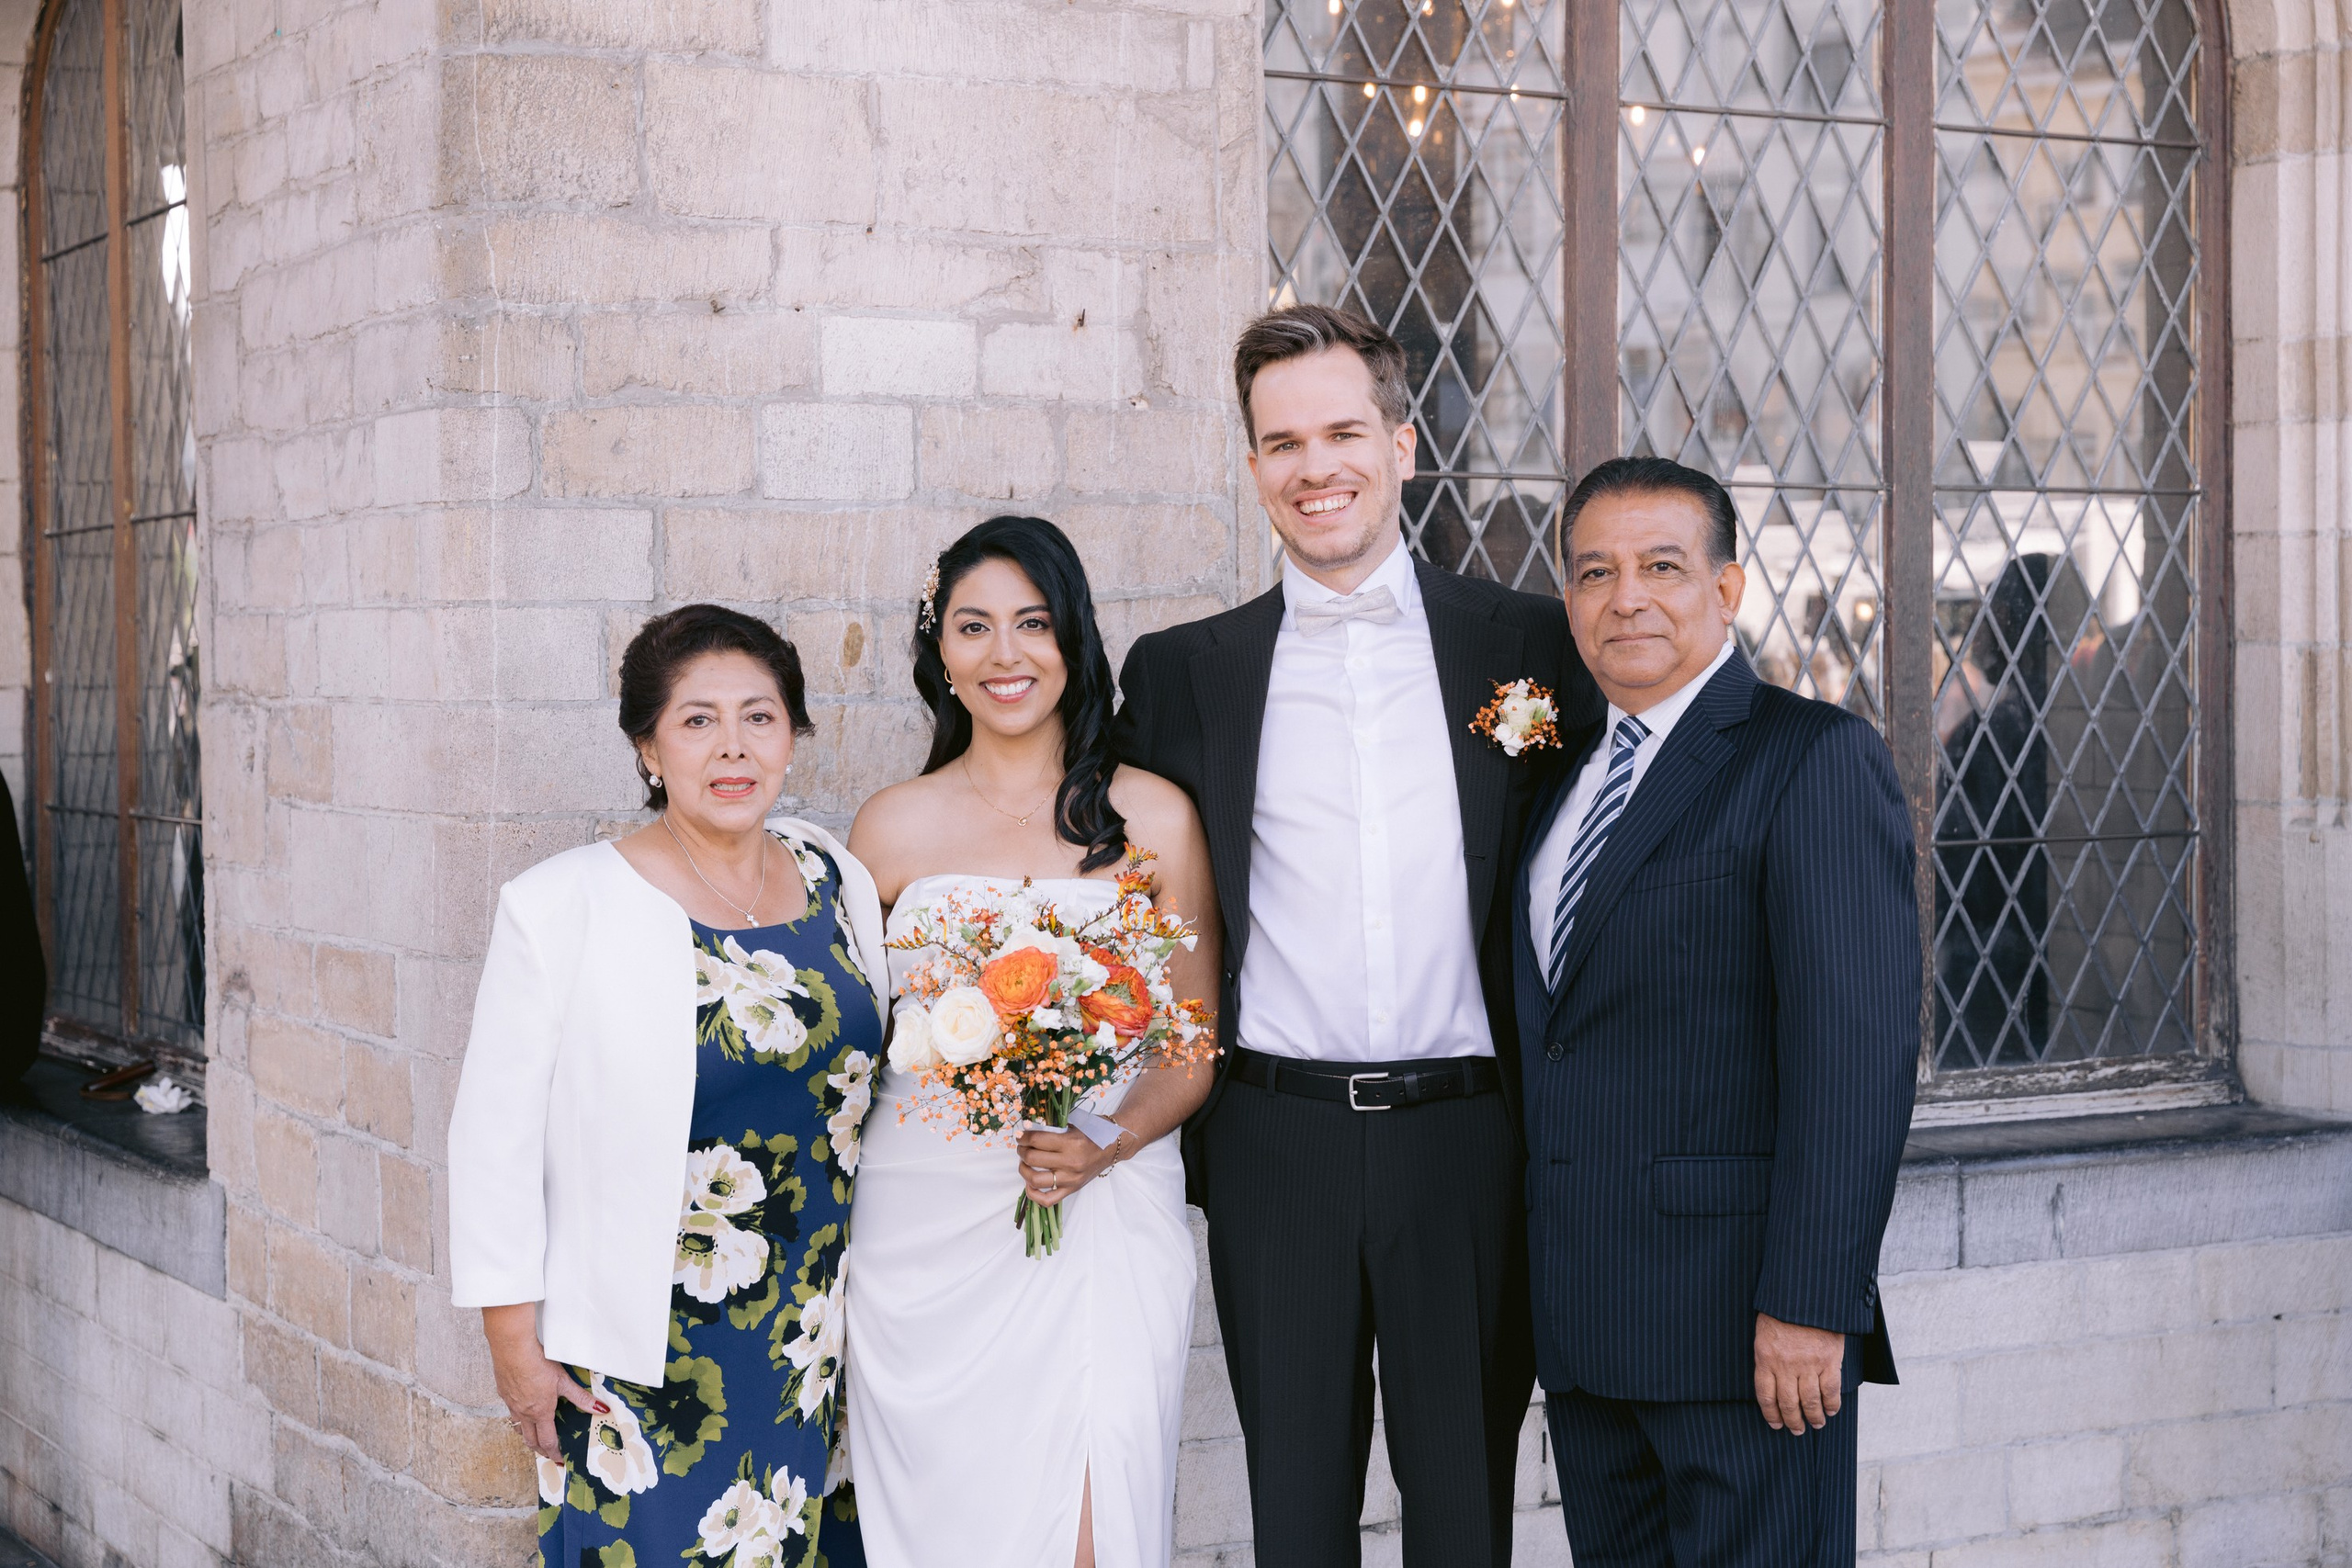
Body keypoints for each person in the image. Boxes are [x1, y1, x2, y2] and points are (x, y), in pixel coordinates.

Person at [1113, 303, 1598, 1567]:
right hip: (1276, 1146)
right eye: (1282, 442)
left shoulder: (1528, 646)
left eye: (1341, 432)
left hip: (1470, 1139)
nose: (1314, 466)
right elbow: (1117, 893)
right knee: (1299, 1525)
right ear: (1255, 464)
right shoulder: (1182, 674)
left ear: (1402, 442)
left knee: (1462, 1519)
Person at [1512, 457, 1918, 1567]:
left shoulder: (1811, 760)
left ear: (1727, 590)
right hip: (1591, 1334)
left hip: (1745, 1337)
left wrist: (1812, 1304)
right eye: (1594, 572)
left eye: (1661, 566)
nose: (1624, 596)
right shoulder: (1560, 785)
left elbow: (1857, 1061)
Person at [447, 604, 888, 1568]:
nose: (731, 747)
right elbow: (494, 1140)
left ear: (792, 734)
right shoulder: (562, 905)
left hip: (820, 1331)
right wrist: (513, 1346)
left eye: (758, 717)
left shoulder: (835, 876)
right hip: (645, 1347)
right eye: (696, 721)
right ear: (648, 748)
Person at [845, 515, 1219, 1568]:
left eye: (1033, 624)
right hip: (924, 1222)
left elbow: (1190, 1043)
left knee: (1090, 1526)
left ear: (1074, 641)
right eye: (973, 627)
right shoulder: (887, 827)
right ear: (939, 650)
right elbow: (854, 1050)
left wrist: (1102, 1134)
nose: (1005, 655)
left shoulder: (1154, 817)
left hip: (1098, 1202)